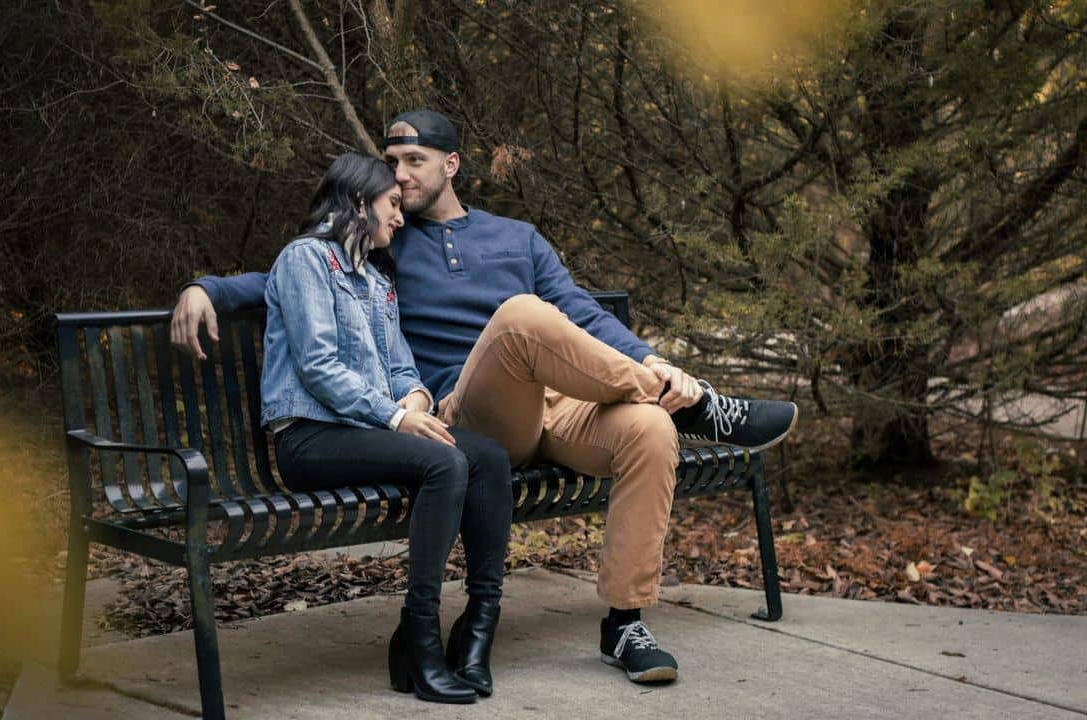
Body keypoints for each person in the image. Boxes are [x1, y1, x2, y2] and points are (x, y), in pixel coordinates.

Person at [172, 111, 798, 685]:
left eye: (414, 160)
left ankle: (624, 624)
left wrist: (652, 358)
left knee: (648, 432)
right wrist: (206, 288)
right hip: (470, 414)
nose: (400, 174)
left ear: (451, 165)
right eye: (391, 162)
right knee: (522, 316)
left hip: (554, 406)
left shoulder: (517, 237)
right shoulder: (385, 241)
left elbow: (580, 310)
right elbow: (292, 277)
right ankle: (696, 407)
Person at [256, 152, 512, 704]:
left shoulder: (376, 280)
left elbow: (400, 367)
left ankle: (478, 625)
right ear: (357, 202)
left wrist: (416, 399)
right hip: (312, 438)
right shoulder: (305, 260)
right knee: (444, 461)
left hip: (368, 432)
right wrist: (398, 418)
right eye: (391, 204)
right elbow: (318, 366)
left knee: (487, 456)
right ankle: (419, 637)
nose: (399, 217)